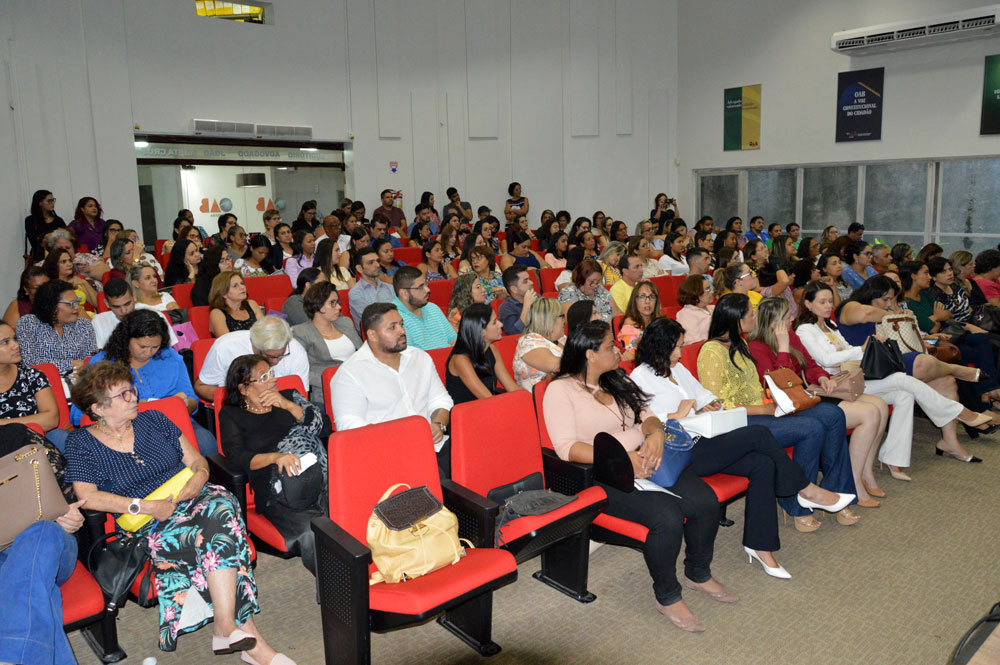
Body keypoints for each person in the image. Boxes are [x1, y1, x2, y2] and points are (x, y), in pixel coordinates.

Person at [65, 362, 295, 663]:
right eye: (124, 395)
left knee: (220, 505)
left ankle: (227, 625)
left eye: (131, 391)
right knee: (216, 533)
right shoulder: (81, 443)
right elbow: (88, 497)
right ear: (98, 408)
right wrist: (145, 506)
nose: (134, 397)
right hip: (148, 518)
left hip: (194, 496)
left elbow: (197, 461)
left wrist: (199, 479)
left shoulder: (155, 420)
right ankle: (250, 644)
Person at [544, 320, 732, 632]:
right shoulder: (560, 390)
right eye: (609, 347)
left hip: (645, 457)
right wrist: (622, 458)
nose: (619, 350)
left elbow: (647, 415)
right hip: (602, 474)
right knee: (667, 516)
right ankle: (667, 596)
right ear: (590, 355)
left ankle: (698, 573)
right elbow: (567, 449)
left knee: (704, 500)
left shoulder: (615, 379)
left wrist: (656, 434)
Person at [631, 318, 852, 580]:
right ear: (660, 347)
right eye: (676, 347)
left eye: (680, 346)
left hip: (707, 437)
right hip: (683, 452)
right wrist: (673, 415)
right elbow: (640, 422)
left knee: (763, 464)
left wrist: (708, 404)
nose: (680, 353)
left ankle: (761, 546)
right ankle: (805, 489)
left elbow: (702, 395)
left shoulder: (677, 369)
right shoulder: (640, 377)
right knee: (759, 434)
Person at [796, 281, 990, 481]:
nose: (828, 305)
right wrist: (862, 349)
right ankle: (961, 412)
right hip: (834, 383)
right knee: (901, 379)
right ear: (808, 305)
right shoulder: (805, 330)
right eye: (822, 302)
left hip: (853, 377)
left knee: (904, 394)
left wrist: (867, 350)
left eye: (830, 300)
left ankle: (894, 458)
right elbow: (824, 359)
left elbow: (849, 355)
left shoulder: (831, 326)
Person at [697, 293, 859, 532]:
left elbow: (763, 387)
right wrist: (765, 407)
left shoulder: (738, 344)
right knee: (811, 428)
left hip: (763, 410)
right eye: (750, 314)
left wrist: (769, 405)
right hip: (741, 421)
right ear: (736, 319)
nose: (755, 317)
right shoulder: (712, 350)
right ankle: (798, 502)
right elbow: (717, 404)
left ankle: (837, 491)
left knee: (832, 415)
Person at [748, 296, 888, 507]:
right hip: (788, 402)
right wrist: (783, 348)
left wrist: (821, 376)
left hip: (806, 393)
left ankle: (865, 472)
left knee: (880, 406)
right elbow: (774, 385)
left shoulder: (791, 336)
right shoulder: (756, 346)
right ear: (773, 322)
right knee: (868, 414)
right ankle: (855, 481)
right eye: (787, 317)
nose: (792, 319)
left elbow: (810, 364)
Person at [219, 354, 329, 575]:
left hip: (321, 475)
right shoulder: (232, 415)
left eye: (271, 373)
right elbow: (236, 457)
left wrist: (287, 405)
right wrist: (275, 457)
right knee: (314, 532)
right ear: (243, 389)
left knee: (348, 519)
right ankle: (340, 596)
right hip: (277, 490)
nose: (272, 380)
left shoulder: (289, 396)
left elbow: (323, 428)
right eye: (263, 377)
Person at [330, 302, 453, 472]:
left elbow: (441, 400)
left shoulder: (420, 358)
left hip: (434, 445)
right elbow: (350, 426)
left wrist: (439, 425)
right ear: (372, 335)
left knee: (476, 462)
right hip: (389, 456)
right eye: (392, 327)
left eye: (401, 324)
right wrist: (400, 439)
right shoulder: (350, 373)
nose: (402, 331)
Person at [0, 423, 86, 664]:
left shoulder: (17, 434)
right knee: (39, 591)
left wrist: (70, 515)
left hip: (51, 542)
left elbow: (67, 489)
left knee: (42, 530)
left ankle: (11, 656)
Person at [78, 309, 216, 454]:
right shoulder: (102, 363)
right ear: (126, 339)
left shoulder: (169, 356)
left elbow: (192, 400)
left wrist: (184, 405)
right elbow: (79, 415)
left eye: (155, 347)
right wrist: (131, 410)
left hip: (175, 422)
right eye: (142, 346)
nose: (148, 353)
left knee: (205, 441)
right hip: (124, 430)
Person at [901, 260, 1000, 404]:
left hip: (949, 335)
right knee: (975, 352)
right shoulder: (907, 302)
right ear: (913, 276)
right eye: (926, 273)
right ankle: (984, 394)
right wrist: (937, 317)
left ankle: (988, 390)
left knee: (981, 339)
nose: (930, 277)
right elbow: (932, 327)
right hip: (931, 341)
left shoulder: (924, 295)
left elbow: (947, 314)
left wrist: (936, 318)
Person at [195, 316, 309, 402]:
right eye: (269, 357)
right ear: (255, 345)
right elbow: (201, 386)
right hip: (239, 409)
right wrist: (236, 398)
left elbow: (302, 396)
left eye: (281, 355)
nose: (275, 362)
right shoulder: (225, 347)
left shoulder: (296, 350)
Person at [291, 281, 362, 404]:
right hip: (326, 391)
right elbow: (302, 371)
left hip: (359, 382)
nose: (339, 307)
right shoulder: (300, 332)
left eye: (338, 302)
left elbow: (363, 352)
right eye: (332, 303)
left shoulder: (345, 322)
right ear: (317, 305)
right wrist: (335, 380)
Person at [0, 321, 66, 449]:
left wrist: (4, 424)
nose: (16, 346)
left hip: (38, 443)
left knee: (60, 436)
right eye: (5, 342)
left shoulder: (31, 375)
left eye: (15, 339)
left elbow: (52, 419)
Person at [16, 280, 97, 376]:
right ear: (52, 306)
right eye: (71, 304)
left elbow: (89, 360)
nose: (77, 307)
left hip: (78, 381)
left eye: (77, 302)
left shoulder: (84, 325)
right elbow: (31, 361)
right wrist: (70, 364)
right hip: (41, 382)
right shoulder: (28, 323)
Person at [446, 303, 520, 404]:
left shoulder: (492, 349)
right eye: (494, 322)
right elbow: (487, 399)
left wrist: (532, 399)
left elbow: (512, 387)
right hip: (469, 414)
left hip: (488, 407)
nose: (501, 324)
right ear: (482, 331)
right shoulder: (461, 360)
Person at [391, 267, 457, 350]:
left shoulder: (432, 308)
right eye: (420, 287)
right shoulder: (394, 317)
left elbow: (453, 340)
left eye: (426, 284)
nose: (428, 290)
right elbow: (410, 356)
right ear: (404, 293)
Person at [513, 297, 565, 390]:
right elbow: (554, 365)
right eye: (562, 316)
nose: (564, 321)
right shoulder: (528, 340)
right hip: (537, 398)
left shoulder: (561, 338)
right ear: (550, 319)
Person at [559, 258, 622, 323]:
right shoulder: (568, 293)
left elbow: (618, 314)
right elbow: (571, 323)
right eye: (592, 282)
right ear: (581, 279)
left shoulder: (600, 289)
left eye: (598, 282)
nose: (595, 285)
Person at [348, 248, 395, 332]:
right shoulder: (355, 293)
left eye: (377, 261)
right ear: (359, 268)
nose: (377, 265)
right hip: (374, 334)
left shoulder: (390, 288)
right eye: (370, 262)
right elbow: (371, 319)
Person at [42, 247, 97, 313]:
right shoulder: (50, 285)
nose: (69, 264)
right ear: (54, 264)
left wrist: (84, 282)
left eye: (70, 261)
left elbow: (97, 303)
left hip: (84, 317)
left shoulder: (77, 280)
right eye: (64, 262)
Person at [209, 271, 264, 336]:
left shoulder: (252, 304)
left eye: (242, 283)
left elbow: (265, 331)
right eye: (235, 286)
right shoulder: (217, 313)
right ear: (223, 293)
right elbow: (226, 342)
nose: (242, 287)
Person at [24, 189, 66, 261]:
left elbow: (67, 237)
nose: (52, 203)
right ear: (40, 203)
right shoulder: (30, 220)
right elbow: (34, 242)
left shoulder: (58, 220)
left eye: (53, 200)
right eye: (49, 201)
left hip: (59, 256)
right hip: (40, 258)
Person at [676, 274, 715, 346]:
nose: (712, 292)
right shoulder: (685, 315)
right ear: (696, 293)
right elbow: (692, 344)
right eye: (708, 289)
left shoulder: (713, 308)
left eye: (711, 288)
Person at [498, 265, 538, 335]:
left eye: (529, 279)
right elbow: (515, 333)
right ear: (514, 289)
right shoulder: (506, 308)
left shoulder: (537, 298)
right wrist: (527, 306)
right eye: (525, 281)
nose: (531, 282)